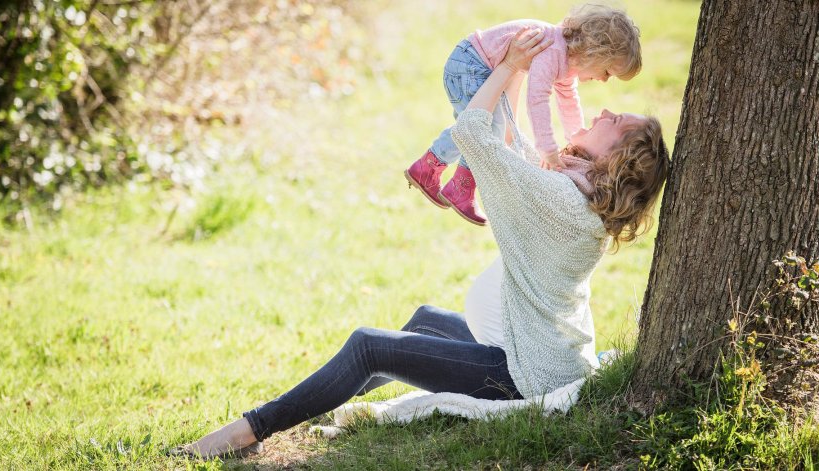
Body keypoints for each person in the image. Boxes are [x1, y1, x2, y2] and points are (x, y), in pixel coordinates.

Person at [171, 27, 669, 460]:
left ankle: (248, 431)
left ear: (618, 160)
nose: (605, 110)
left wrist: (512, 65)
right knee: (425, 320)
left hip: (522, 373)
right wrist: (519, 71)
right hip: (535, 349)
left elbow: (474, 132)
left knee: (369, 346)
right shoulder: (577, 195)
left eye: (617, 122)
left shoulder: (560, 199)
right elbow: (515, 148)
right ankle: (309, 404)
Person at [405, 4, 642, 226]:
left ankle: (430, 169)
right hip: (470, 65)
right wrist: (547, 149)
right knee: (484, 127)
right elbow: (536, 99)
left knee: (482, 126)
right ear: (595, 52)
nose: (603, 80)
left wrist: (575, 138)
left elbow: (569, 102)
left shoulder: (567, 61)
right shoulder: (553, 50)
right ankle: (458, 185)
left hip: (475, 65)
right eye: (608, 72)